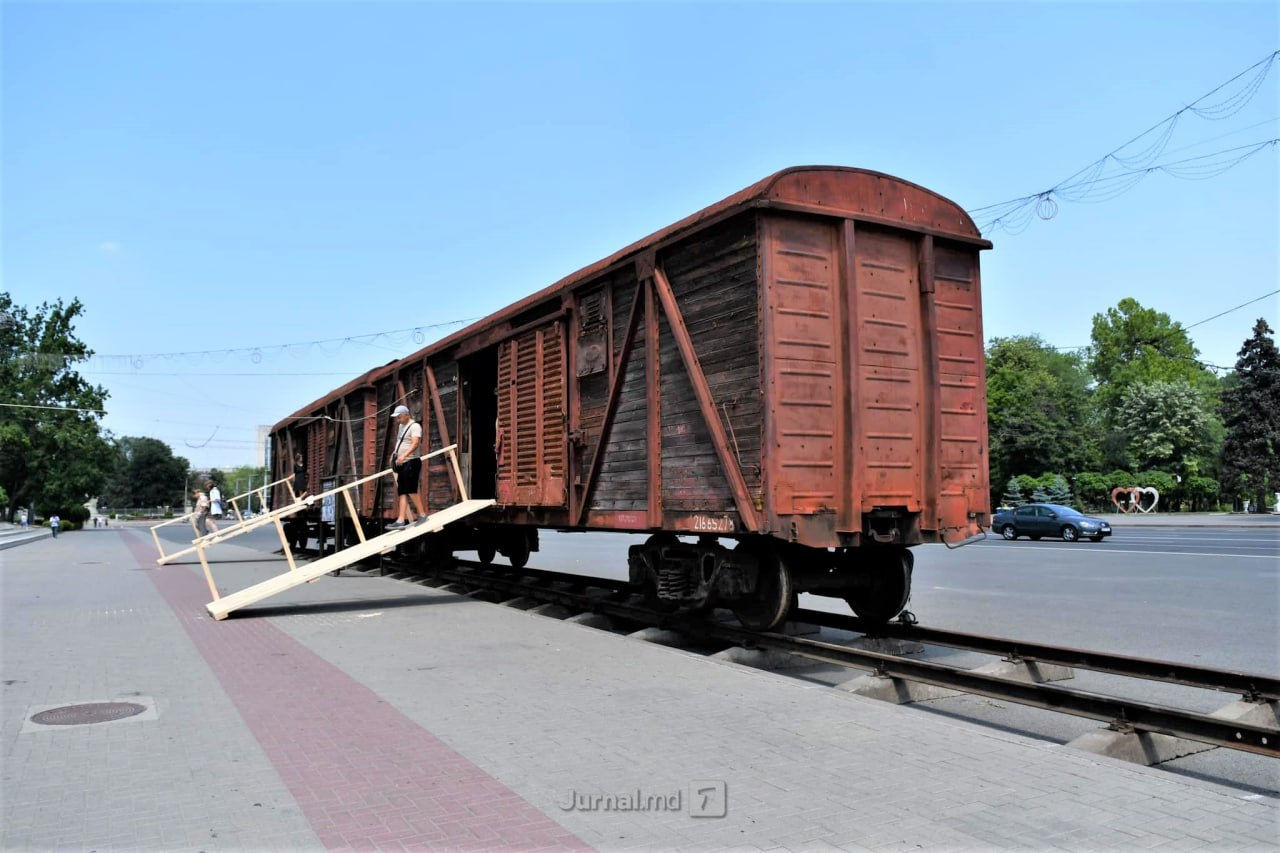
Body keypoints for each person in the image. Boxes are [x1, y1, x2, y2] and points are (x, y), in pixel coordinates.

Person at [387, 404, 426, 528]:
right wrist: (394, 454)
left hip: (411, 462)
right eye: (397, 417)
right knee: (402, 492)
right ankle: (400, 520)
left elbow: (415, 444)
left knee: (411, 490)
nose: (397, 419)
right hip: (402, 463)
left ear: (406, 415)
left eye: (399, 417)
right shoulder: (401, 426)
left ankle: (423, 515)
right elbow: (400, 442)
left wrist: (404, 456)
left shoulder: (415, 426)